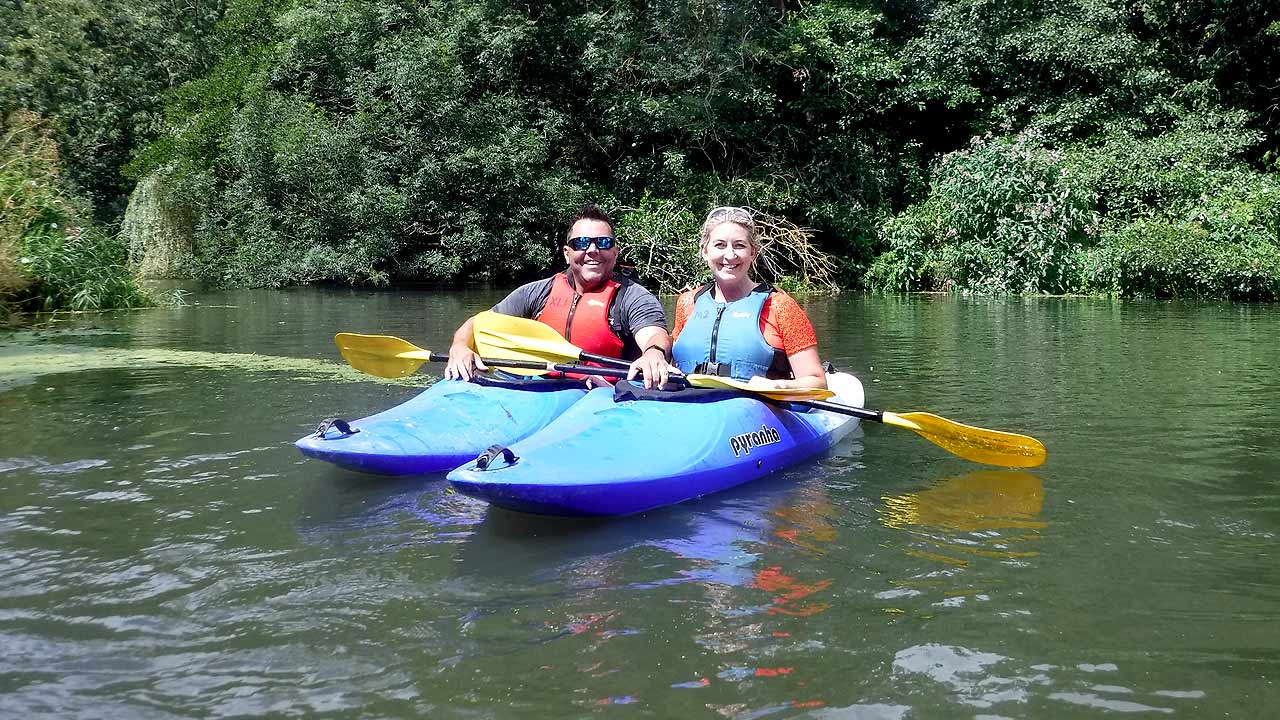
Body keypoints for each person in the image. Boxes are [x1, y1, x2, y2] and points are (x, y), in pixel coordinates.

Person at [445, 204, 674, 389]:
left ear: (615, 253)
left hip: (606, 394)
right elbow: (479, 323)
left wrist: (654, 354)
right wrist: (460, 347)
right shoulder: (537, 292)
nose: (592, 250)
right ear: (567, 253)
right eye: (581, 243)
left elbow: (654, 334)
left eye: (603, 243)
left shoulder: (632, 297)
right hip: (544, 390)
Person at [670, 206, 827, 390]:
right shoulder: (688, 303)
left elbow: (817, 382)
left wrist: (779, 385)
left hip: (758, 409)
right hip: (689, 404)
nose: (730, 255)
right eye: (720, 245)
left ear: (753, 252)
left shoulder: (780, 306)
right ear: (705, 251)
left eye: (739, 245)